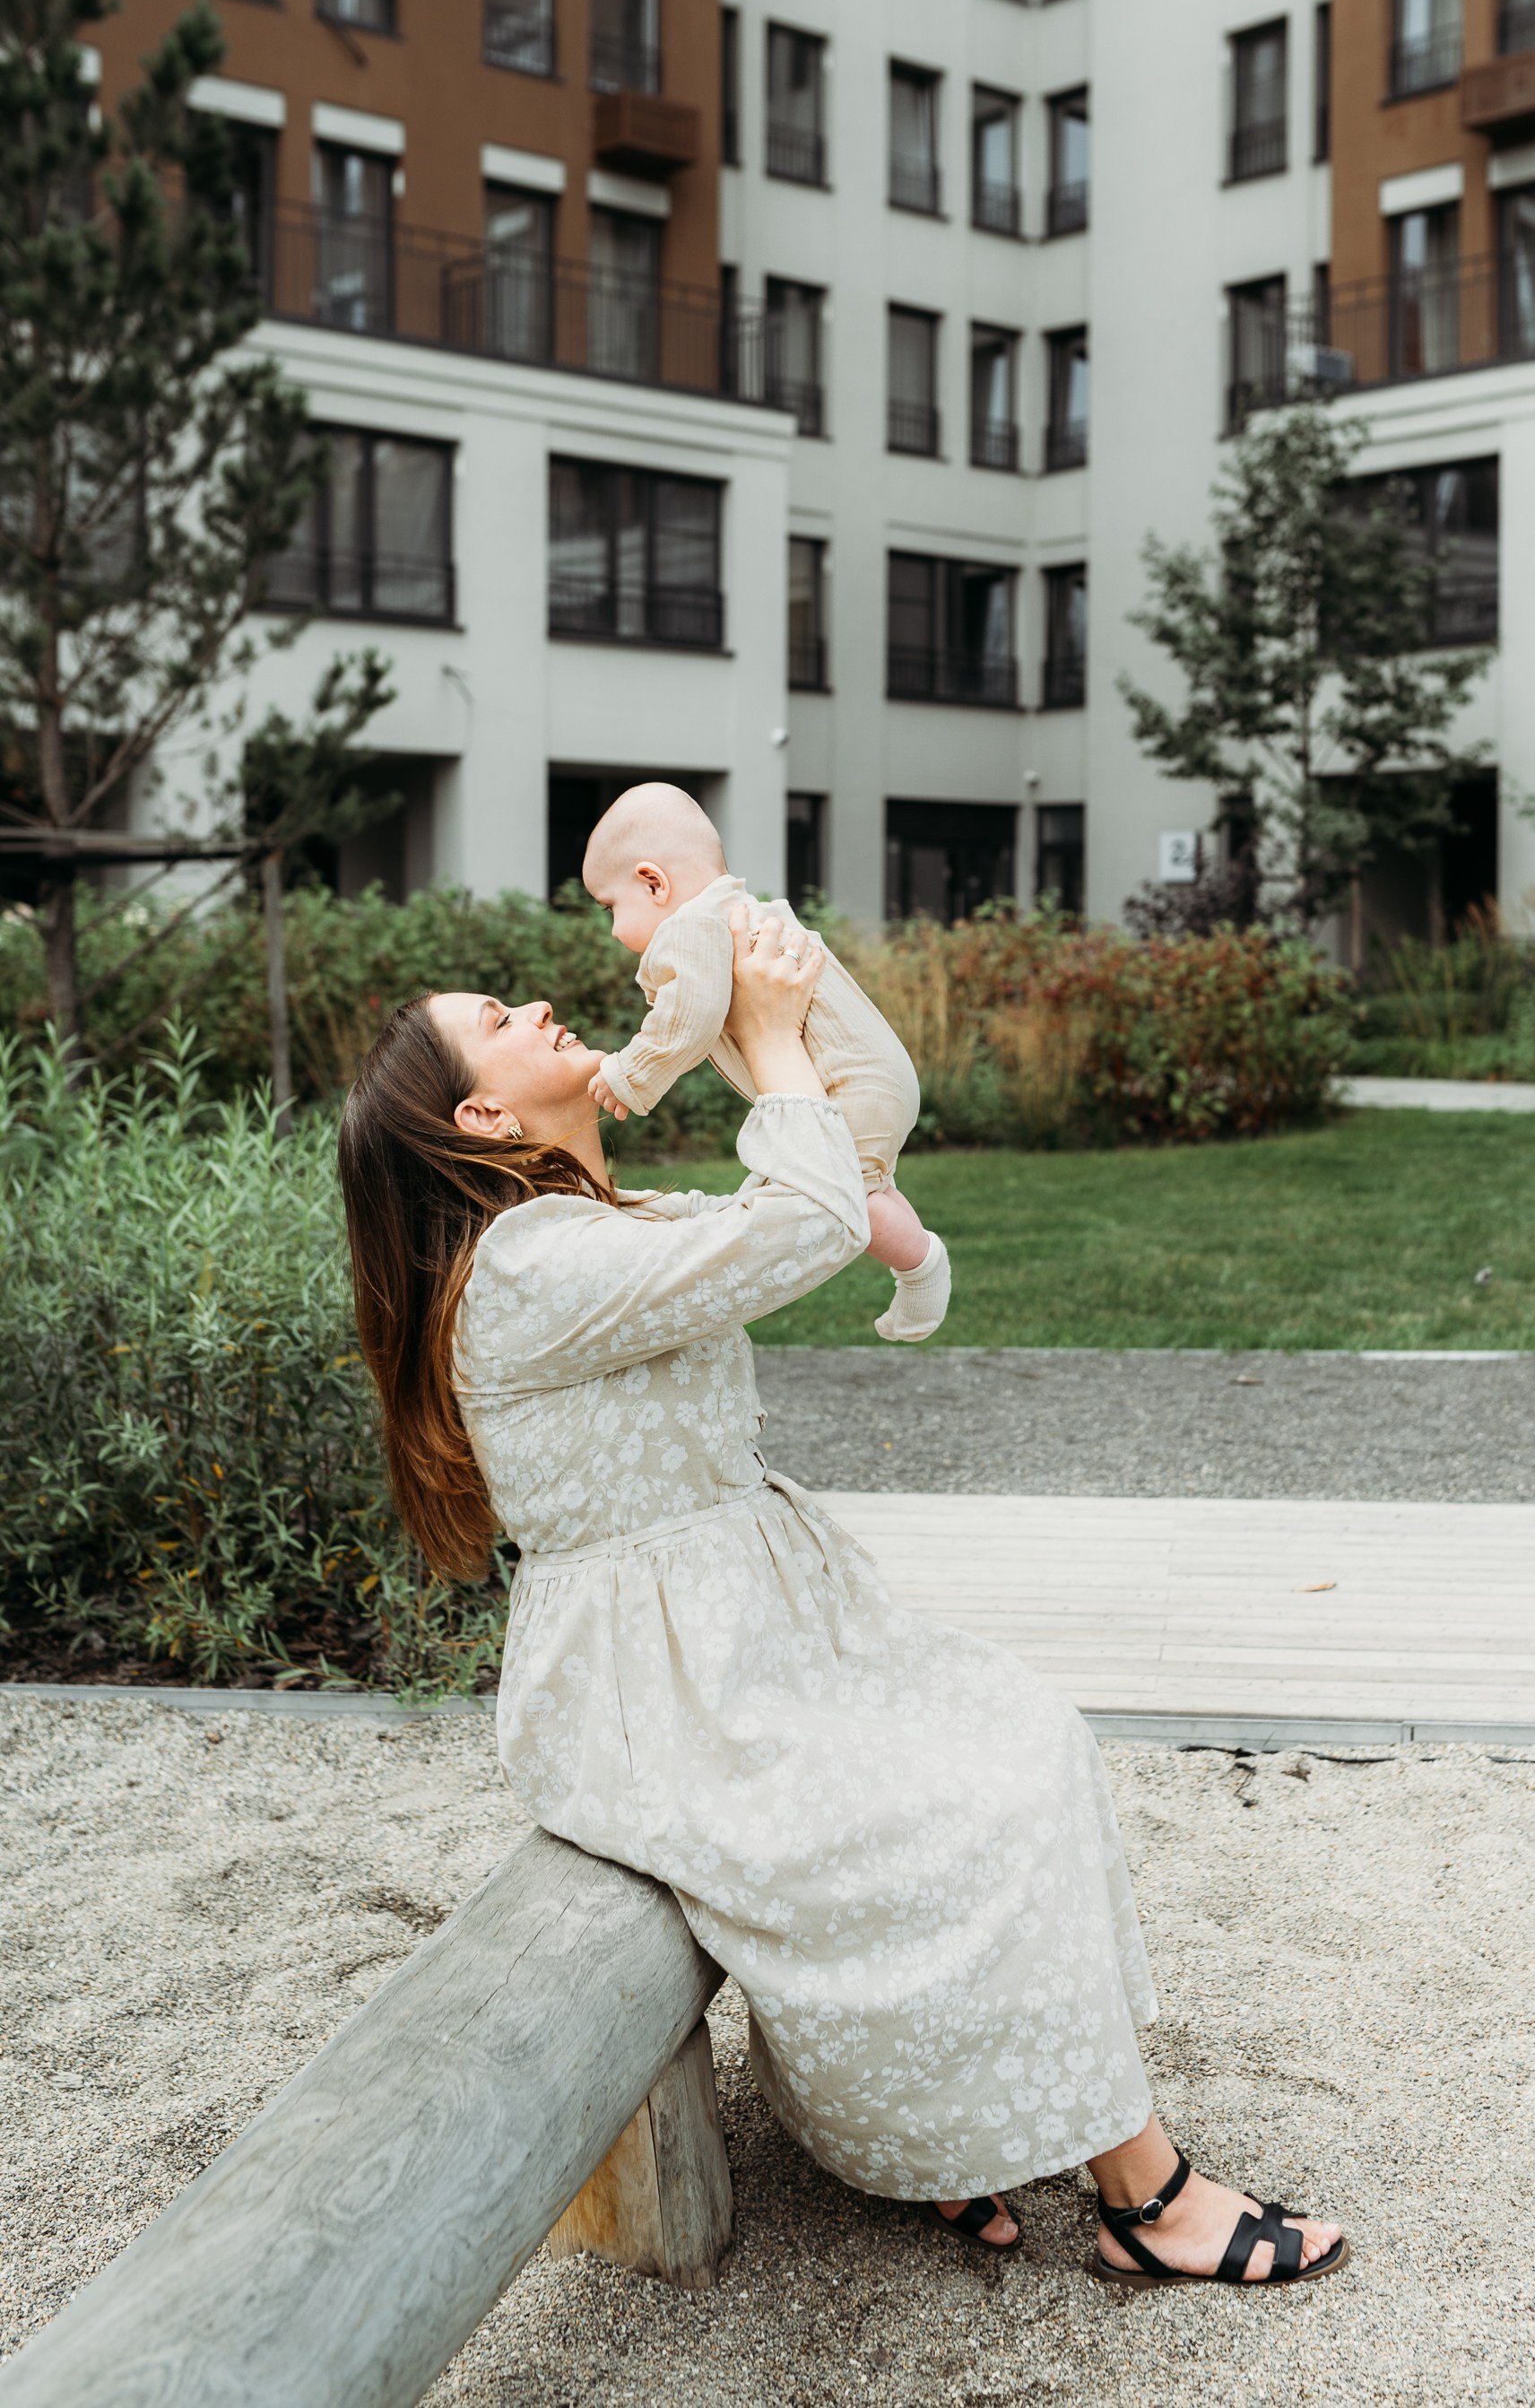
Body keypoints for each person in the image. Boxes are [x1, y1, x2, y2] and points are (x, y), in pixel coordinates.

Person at [336, 908, 1346, 2288]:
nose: (534, 1011)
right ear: (481, 1110)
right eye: (501, 1022)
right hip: (667, 1697)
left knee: (1020, 1739)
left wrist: (766, 1042)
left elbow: (803, 1200)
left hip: (748, 1643)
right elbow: (798, 1223)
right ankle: (1146, 2195)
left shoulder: (588, 1222)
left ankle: (945, 2140)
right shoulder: (522, 1271)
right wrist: (759, 1039)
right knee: (974, 1803)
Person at [580, 781, 950, 1345]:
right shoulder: (740, 912)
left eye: (611, 907)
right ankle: (915, 1258)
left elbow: (690, 1018)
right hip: (873, 1077)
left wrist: (631, 1074)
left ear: (653, 883)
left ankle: (921, 1267)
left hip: (849, 1083)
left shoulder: (691, 927)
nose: (613, 929)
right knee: (864, 1182)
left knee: (828, 1194)